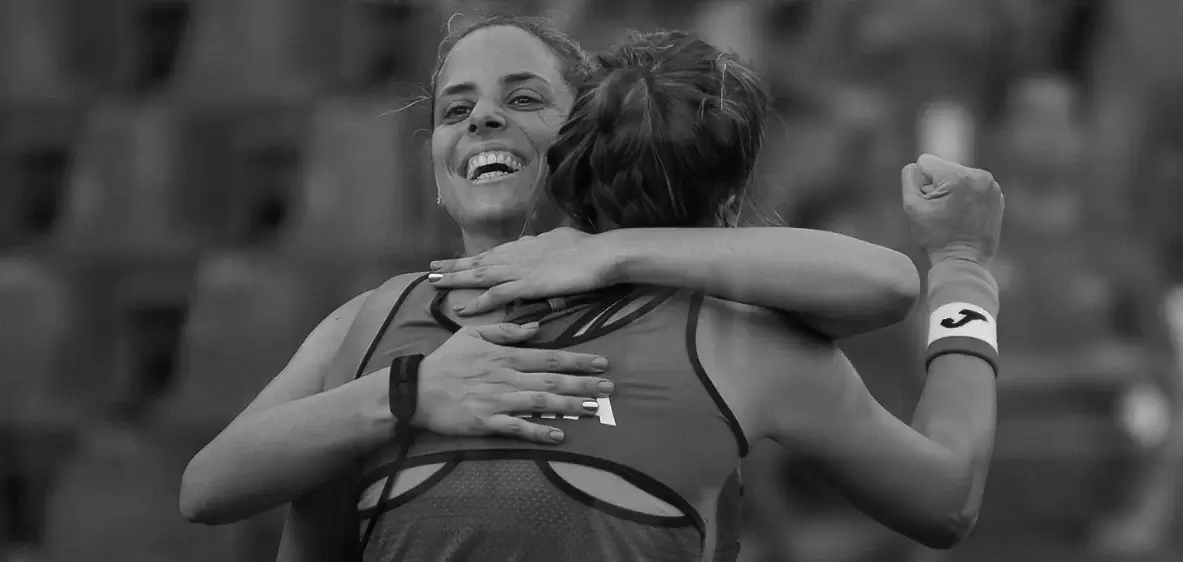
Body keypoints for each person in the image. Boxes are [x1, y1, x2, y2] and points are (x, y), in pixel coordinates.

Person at [268, 27, 1003, 562]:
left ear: (573, 153)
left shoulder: (392, 318)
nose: (483, 120)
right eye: (455, 108)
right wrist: (963, 262)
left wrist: (606, 250)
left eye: (518, 99)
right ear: (729, 201)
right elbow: (945, 501)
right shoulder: (740, 341)